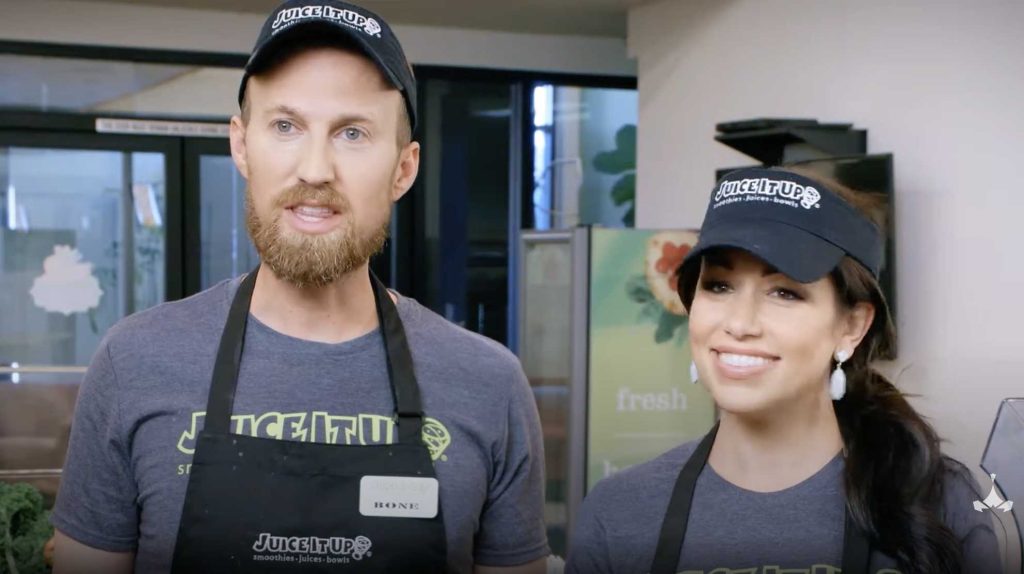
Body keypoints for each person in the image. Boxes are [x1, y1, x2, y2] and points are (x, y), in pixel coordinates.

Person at [49, 1, 549, 572]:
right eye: (285, 126)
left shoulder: (489, 384)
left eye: (352, 133)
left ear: (403, 169)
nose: (315, 169)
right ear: (242, 146)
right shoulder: (134, 362)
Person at [565, 167, 1002, 574]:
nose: (739, 324)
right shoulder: (619, 514)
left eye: (785, 293)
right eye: (719, 286)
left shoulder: (940, 506)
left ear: (852, 326)